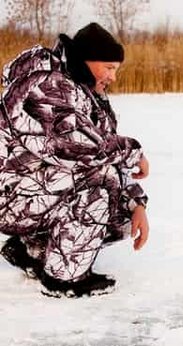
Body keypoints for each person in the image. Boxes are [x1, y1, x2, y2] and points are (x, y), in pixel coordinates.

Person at [0, 23, 149, 297]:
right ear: (86, 60)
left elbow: (104, 147)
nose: (113, 77)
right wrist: (134, 151)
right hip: (8, 195)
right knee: (98, 184)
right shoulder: (46, 85)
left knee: (123, 214)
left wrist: (136, 202)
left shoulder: (87, 93)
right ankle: (64, 279)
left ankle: (32, 250)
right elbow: (76, 149)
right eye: (109, 67)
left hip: (33, 190)